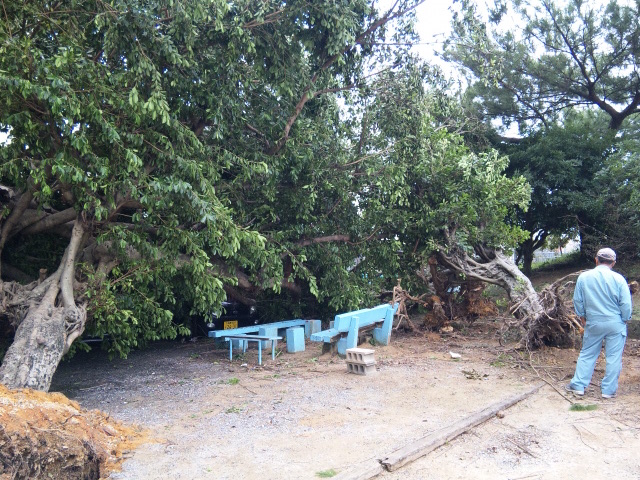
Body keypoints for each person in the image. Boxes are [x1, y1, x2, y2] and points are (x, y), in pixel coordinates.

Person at [565, 247, 632, 399]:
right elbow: (626, 304)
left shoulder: (584, 277)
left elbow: (578, 300)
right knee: (614, 357)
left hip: (593, 322)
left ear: (596, 260)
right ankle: (608, 391)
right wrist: (625, 318)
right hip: (615, 322)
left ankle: (578, 386)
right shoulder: (619, 279)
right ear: (613, 263)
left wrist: (582, 317)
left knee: (588, 353)